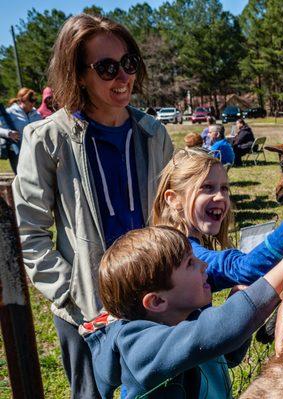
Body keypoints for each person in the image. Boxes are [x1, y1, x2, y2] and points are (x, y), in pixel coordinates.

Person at [11, 14, 173, 399]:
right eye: (107, 68)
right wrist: (69, 292)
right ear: (78, 74)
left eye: (129, 63)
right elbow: (29, 232)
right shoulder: (46, 139)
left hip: (152, 295)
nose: (123, 77)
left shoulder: (154, 133)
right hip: (84, 307)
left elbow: (172, 214)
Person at [84, 225, 283, 398]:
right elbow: (213, 333)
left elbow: (221, 355)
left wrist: (242, 311)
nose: (204, 266)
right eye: (190, 264)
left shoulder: (183, 319)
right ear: (157, 301)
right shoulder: (140, 348)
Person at [152, 148, 283, 290]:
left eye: (224, 188)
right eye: (207, 188)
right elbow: (244, 268)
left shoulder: (180, 241)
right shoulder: (179, 252)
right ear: (174, 199)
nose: (221, 197)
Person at [0, 88, 42, 173]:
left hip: (35, 152)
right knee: (21, 178)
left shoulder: (36, 114)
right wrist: (9, 133)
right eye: (30, 100)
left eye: (34, 100)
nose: (33, 103)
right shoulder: (9, 113)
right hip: (18, 153)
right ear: (22, 100)